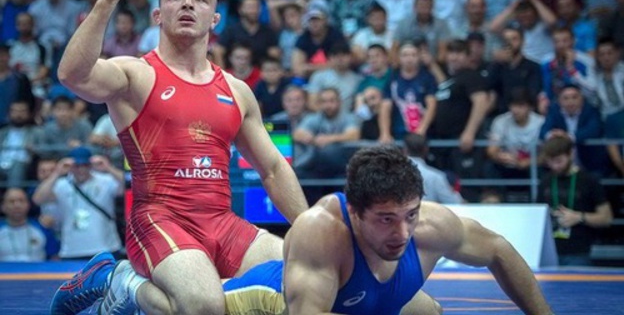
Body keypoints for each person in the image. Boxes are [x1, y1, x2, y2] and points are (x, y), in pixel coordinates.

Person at [49, 0, 308, 315]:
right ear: (158, 14)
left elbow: (272, 169)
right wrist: (106, 3)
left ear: (215, 19)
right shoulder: (136, 74)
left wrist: (309, 230)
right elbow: (73, 75)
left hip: (223, 224)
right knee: (202, 305)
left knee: (307, 277)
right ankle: (122, 280)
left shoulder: (236, 90)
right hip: (159, 220)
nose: (188, 3)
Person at [221, 145, 552, 314]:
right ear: (354, 211)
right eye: (386, 219)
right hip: (262, 303)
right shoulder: (322, 229)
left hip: (358, 302)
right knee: (190, 305)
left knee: (429, 312)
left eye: (410, 215)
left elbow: (498, 250)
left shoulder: (432, 225)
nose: (403, 233)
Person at [537, 135, 613, 266]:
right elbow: (537, 214)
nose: (555, 166)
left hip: (578, 251)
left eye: (559, 161)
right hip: (549, 251)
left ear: (571, 154)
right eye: (550, 162)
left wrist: (579, 217)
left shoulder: (589, 181)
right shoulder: (545, 181)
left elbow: (606, 218)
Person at [404, 133, 463, 204]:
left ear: (405, 149)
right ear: (426, 150)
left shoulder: (393, 172)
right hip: (427, 213)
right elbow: (453, 202)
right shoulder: (436, 177)